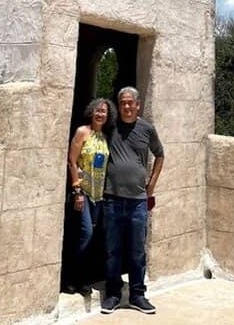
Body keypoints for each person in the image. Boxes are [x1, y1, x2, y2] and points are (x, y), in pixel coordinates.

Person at [101, 87, 164, 315]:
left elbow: (160, 154)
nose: (127, 106)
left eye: (130, 103)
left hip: (138, 200)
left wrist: (152, 185)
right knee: (112, 250)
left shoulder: (147, 129)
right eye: (123, 103)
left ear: (137, 105)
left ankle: (137, 294)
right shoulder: (111, 127)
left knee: (137, 250)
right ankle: (114, 294)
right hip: (112, 199)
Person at [63, 97, 116, 295]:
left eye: (104, 111)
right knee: (85, 234)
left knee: (89, 237)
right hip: (83, 193)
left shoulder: (104, 136)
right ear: (91, 112)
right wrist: (77, 191)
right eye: (97, 110)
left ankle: (82, 279)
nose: (100, 114)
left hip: (98, 195)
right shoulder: (82, 132)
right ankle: (70, 277)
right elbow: (72, 161)